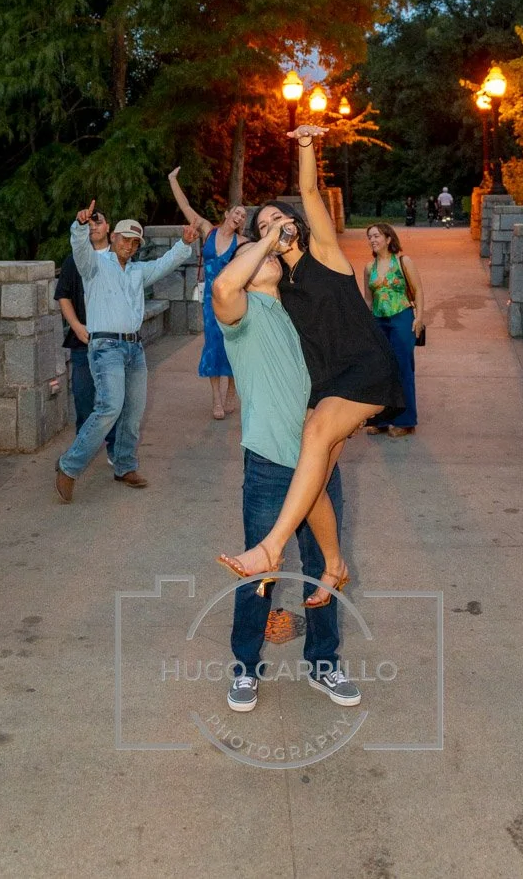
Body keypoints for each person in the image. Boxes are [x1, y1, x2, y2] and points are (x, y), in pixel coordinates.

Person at [218, 126, 405, 598]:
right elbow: (231, 286)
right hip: (326, 385)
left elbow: (307, 191)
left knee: (315, 434)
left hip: (364, 368)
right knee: (313, 479)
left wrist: (304, 143)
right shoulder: (275, 287)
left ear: (295, 226)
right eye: (261, 227)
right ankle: (335, 566)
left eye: (279, 221)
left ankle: (271, 549)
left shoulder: (325, 254)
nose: (272, 229)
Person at [212, 220, 361, 712]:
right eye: (262, 236)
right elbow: (224, 283)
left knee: (322, 569)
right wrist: (265, 241)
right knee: (259, 575)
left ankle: (324, 663)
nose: (273, 244)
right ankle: (245, 669)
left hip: (316, 468)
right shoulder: (242, 311)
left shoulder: (297, 313)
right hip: (270, 467)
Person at [54, 204, 199, 502]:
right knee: (109, 407)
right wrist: (80, 225)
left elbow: (164, 264)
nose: (130, 246)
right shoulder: (94, 265)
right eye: (126, 239)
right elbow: (79, 247)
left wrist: (185, 243)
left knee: (133, 412)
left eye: (135, 242)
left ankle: (124, 466)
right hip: (105, 347)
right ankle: (69, 466)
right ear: (115, 237)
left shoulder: (137, 271)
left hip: (134, 349)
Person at [168, 167, 246, 420]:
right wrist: (172, 180)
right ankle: (216, 399)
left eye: (243, 216)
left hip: (234, 300)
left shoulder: (242, 243)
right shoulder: (207, 230)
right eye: (237, 212)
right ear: (226, 214)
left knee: (235, 345)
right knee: (213, 346)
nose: (240, 217)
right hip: (211, 302)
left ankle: (232, 390)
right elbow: (186, 207)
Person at [54, 209, 116, 464]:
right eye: (88, 223)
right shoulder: (75, 260)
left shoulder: (120, 257)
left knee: (114, 399)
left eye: (98, 221)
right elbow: (63, 295)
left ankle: (115, 448)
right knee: (83, 398)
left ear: (108, 226)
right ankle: (82, 451)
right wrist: (77, 326)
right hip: (83, 341)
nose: (93, 226)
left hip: (114, 342)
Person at [363, 223, 424, 437]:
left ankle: (406, 422)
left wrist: (419, 318)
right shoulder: (369, 268)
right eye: (369, 236)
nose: (372, 239)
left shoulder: (403, 261)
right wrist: (366, 327)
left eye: (376, 235)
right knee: (380, 371)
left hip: (402, 318)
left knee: (403, 369)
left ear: (388, 239)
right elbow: (368, 300)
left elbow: (417, 291)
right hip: (379, 322)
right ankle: (381, 420)